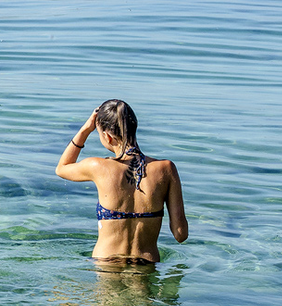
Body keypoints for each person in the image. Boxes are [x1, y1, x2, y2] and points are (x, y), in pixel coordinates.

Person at [55, 100, 187, 264]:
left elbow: (62, 168)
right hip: (146, 266)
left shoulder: (98, 167)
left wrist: (86, 128)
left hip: (107, 264)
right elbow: (180, 235)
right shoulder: (166, 169)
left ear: (108, 136)